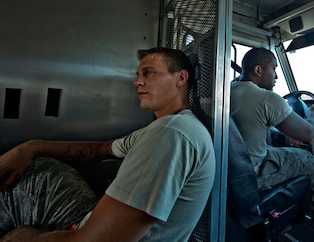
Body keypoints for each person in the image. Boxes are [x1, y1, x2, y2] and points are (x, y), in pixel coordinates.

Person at [0, 47, 216, 241]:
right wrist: (30, 148)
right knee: (37, 165)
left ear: (180, 78)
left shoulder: (171, 134)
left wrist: (28, 238)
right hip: (87, 223)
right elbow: (97, 150)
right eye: (138, 75)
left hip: (82, 233)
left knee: (25, 183)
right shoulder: (159, 130)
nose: (138, 82)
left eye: (149, 73)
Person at [230, 47, 314, 222]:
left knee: (284, 150)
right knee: (310, 160)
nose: (276, 76)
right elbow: (308, 133)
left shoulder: (230, 88)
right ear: (258, 70)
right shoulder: (266, 98)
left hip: (234, 165)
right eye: (274, 69)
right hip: (253, 172)